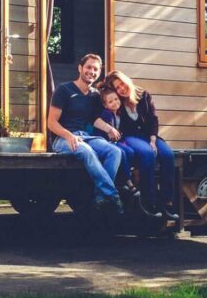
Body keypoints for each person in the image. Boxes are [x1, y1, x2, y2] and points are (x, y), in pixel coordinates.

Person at [47, 53, 123, 213]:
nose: (92, 71)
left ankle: (100, 197)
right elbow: (51, 123)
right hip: (63, 138)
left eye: (96, 69)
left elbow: (94, 119)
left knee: (115, 151)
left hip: (86, 136)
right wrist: (69, 135)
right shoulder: (64, 90)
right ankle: (112, 194)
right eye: (89, 67)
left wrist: (109, 129)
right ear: (80, 68)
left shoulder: (95, 95)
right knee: (87, 151)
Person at [104, 70, 177, 220]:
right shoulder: (118, 102)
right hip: (130, 136)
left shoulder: (143, 95)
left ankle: (166, 203)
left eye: (122, 84)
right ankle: (149, 202)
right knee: (148, 154)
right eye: (117, 88)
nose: (121, 89)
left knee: (168, 155)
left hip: (148, 135)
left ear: (127, 81)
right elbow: (103, 95)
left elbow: (153, 118)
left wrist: (152, 139)